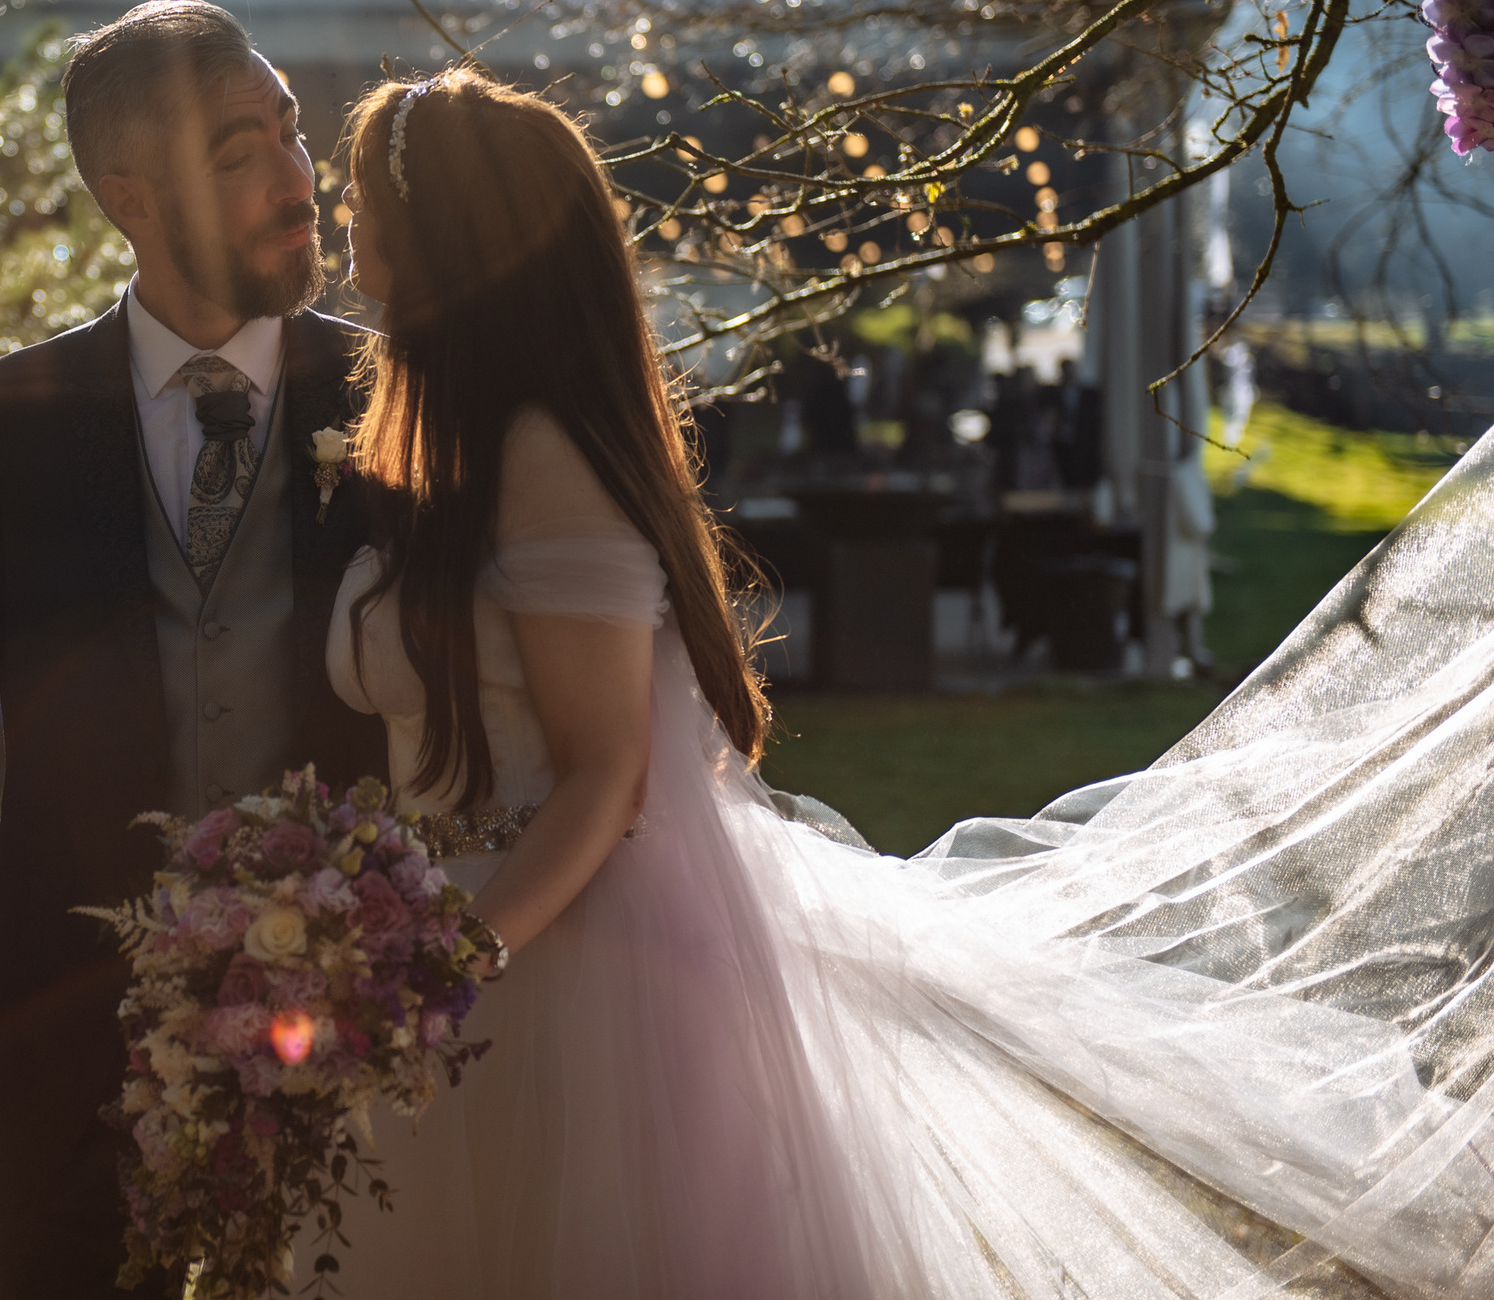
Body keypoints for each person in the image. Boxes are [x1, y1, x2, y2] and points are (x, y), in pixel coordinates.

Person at [316, 63, 1494, 1297]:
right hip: (448, 940)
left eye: (361, 203)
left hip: (556, 975)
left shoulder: (541, 456)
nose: (347, 230)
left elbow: (606, 768)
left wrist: (445, 967)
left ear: (436, 237)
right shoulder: (436, 446)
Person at [0, 0, 384, 1299]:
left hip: (350, 1040)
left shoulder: (395, 401)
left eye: (290, 132)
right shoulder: (11, 418)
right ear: (127, 194)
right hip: (74, 1042)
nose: (294, 179)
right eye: (234, 153)